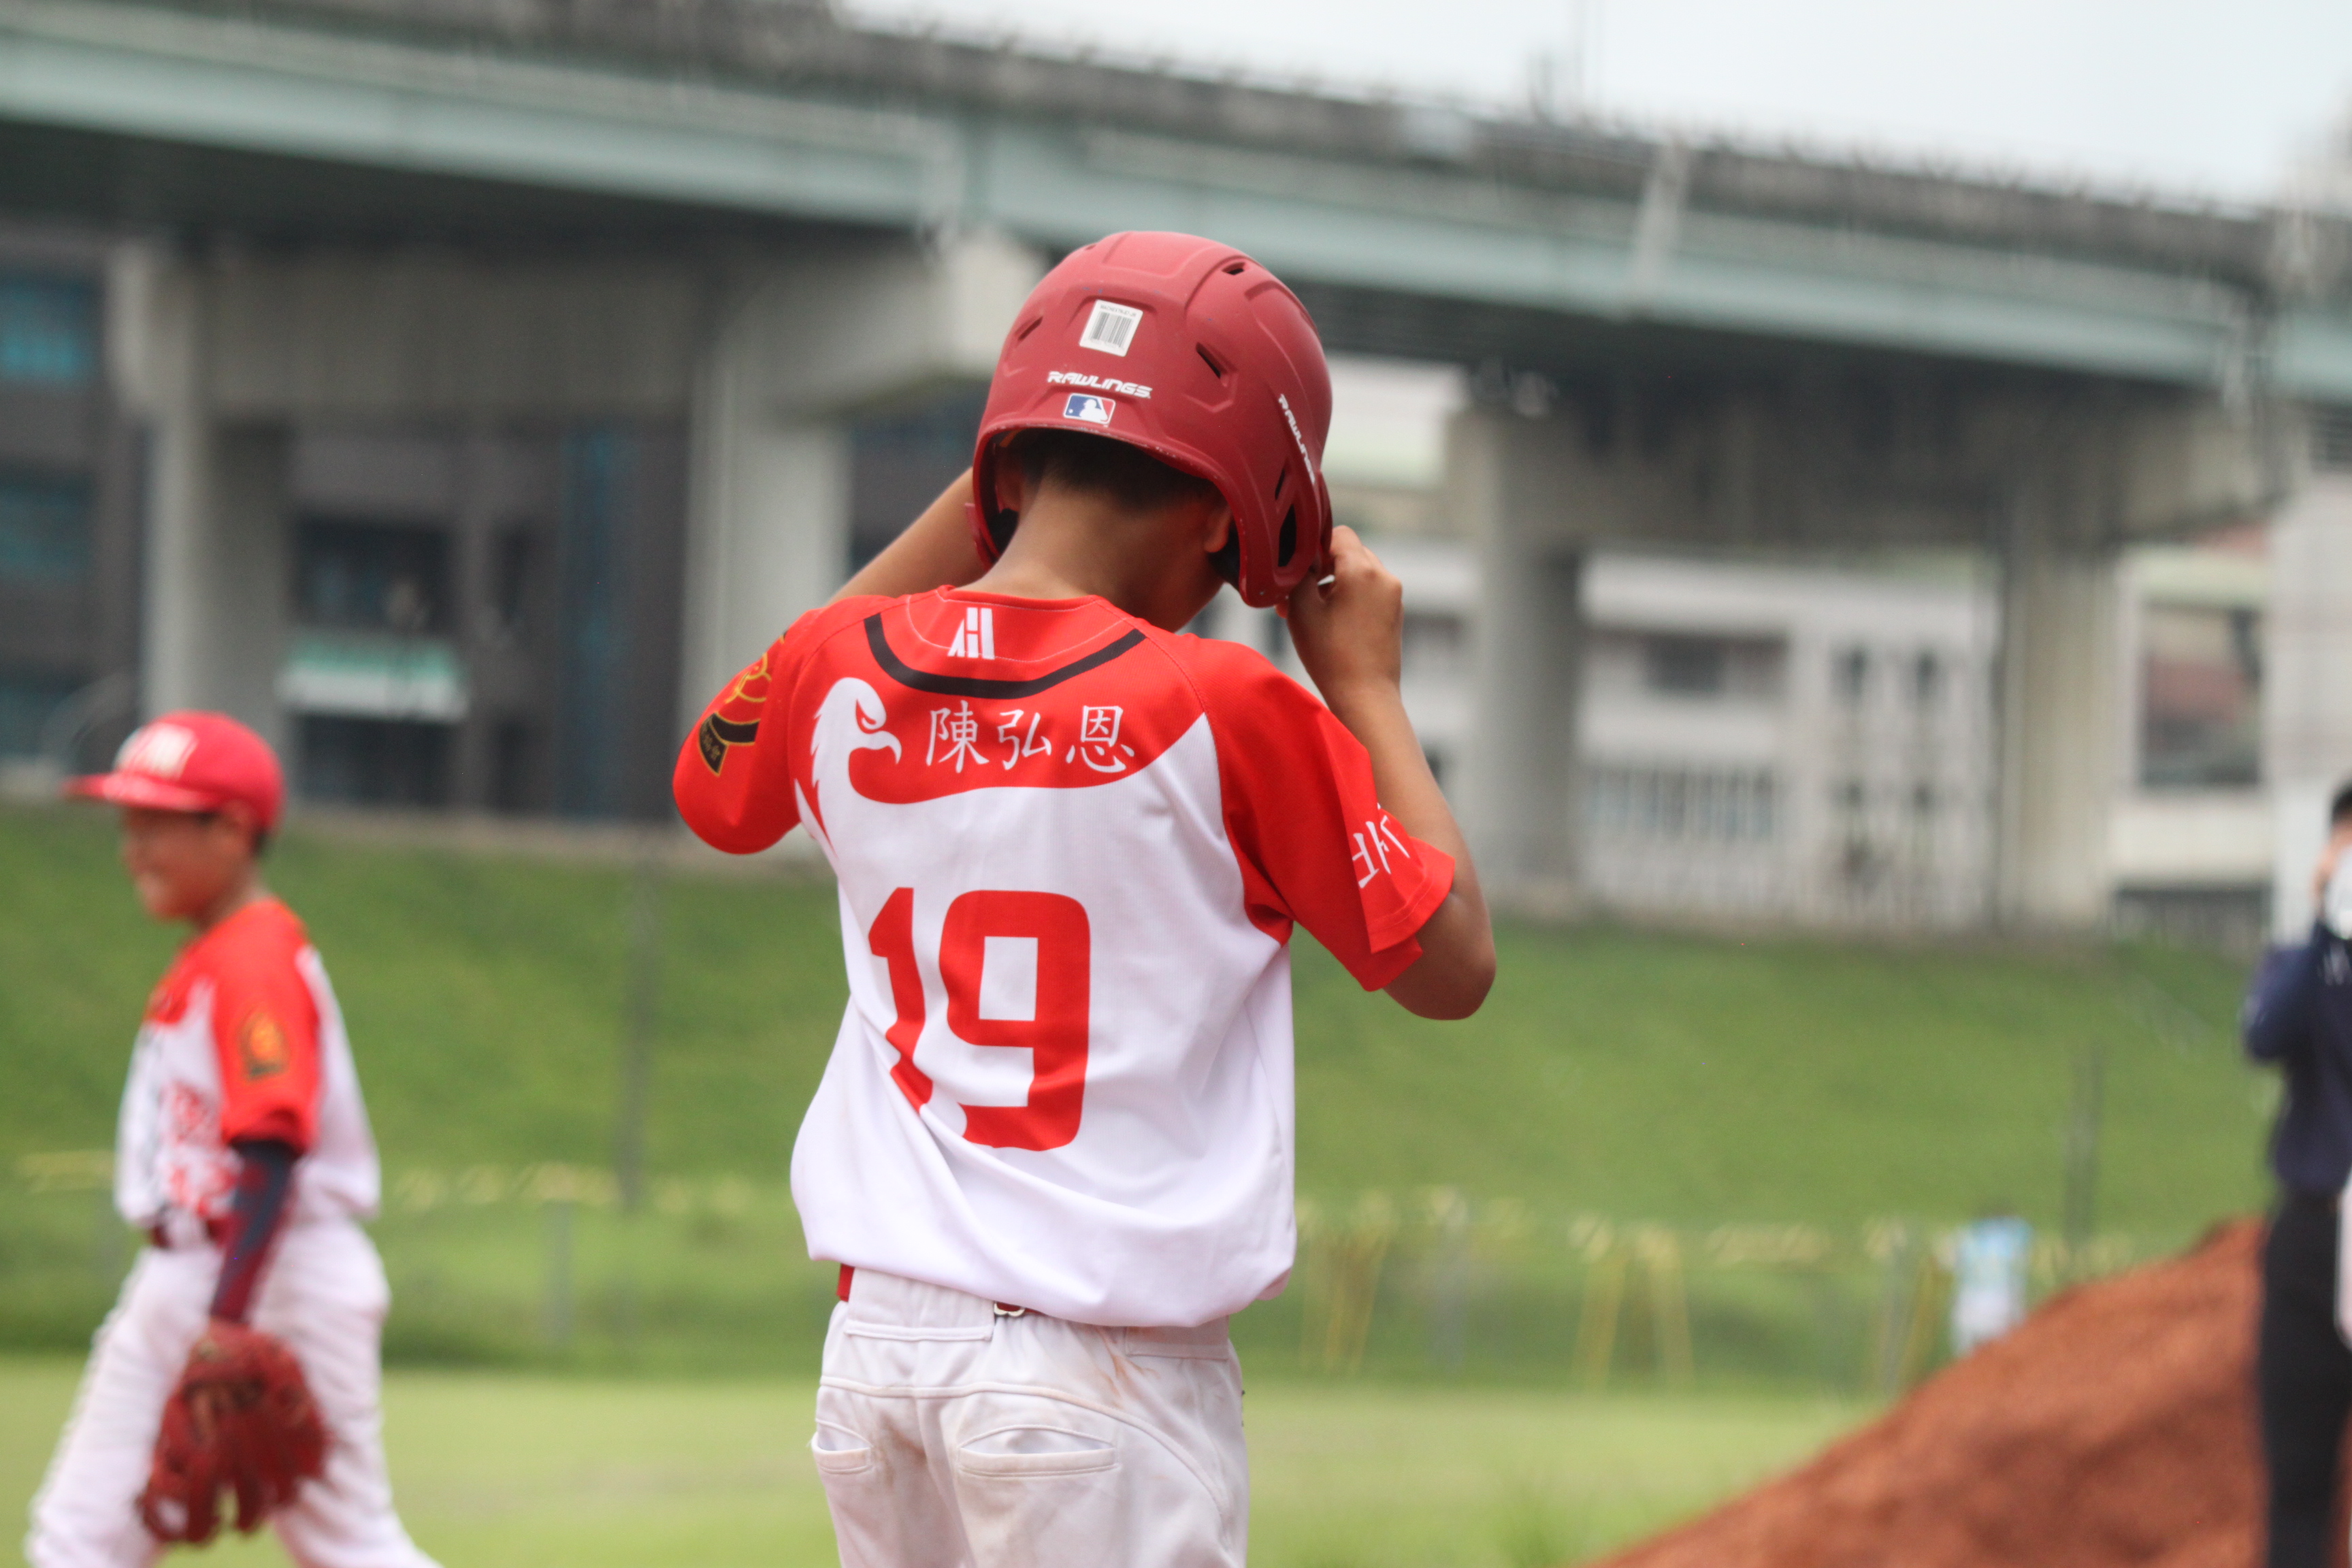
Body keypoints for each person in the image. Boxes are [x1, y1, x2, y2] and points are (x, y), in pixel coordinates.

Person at [672, 230, 1494, 1568]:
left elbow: (716, 786)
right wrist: (1367, 687)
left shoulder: (842, 666)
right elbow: (1451, 963)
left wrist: (1007, 475)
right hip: (1093, 1372)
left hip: (881, 1358)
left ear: (1003, 468)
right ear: (1228, 516)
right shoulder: (1225, 704)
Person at [29, 713, 438, 1568]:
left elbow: (270, 1142)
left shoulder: (255, 955)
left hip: (270, 1274)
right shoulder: (218, 953)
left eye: (157, 824)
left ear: (233, 830)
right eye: (128, 823)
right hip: (196, 1273)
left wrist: (226, 1319)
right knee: (77, 1540)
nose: (133, 849)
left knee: (349, 1545)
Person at [2242, 778, 2352, 1568]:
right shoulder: (2309, 962)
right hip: (2316, 1230)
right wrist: (2325, 928)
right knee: (2298, 1486)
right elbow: (2264, 1036)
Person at [1946, 1207, 2031, 1356]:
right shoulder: (2016, 1237)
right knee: (2001, 1358)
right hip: (2000, 1309)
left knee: (1967, 1359)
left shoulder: (1968, 1237)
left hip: (1968, 1309)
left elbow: (1949, 1262)